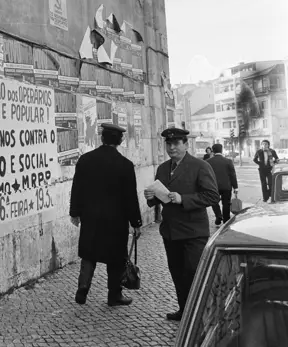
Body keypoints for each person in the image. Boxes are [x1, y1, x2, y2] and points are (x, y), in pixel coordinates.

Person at [144, 128, 219, 321]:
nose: (172, 147)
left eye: (176, 143)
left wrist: (182, 199)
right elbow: (159, 197)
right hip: (170, 231)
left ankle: (202, 313)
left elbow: (212, 196)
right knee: (177, 272)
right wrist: (151, 198)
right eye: (169, 144)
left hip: (194, 232)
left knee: (194, 273)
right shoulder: (162, 168)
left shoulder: (200, 166)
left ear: (186, 145)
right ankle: (184, 310)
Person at [70, 123, 142, 307]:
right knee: (116, 259)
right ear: (120, 140)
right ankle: (114, 296)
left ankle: (83, 287)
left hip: (91, 217)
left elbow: (76, 188)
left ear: (101, 138)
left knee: (89, 255)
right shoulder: (125, 165)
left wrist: (75, 213)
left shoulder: (85, 160)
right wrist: (136, 222)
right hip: (116, 220)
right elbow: (130, 197)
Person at [206, 144, 238, 224]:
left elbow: (206, 175)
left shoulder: (208, 162)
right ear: (222, 150)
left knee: (214, 202)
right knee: (226, 203)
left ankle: (218, 216)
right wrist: (235, 187)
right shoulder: (228, 161)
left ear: (213, 150)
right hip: (226, 186)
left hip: (213, 186)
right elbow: (232, 175)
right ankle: (226, 220)